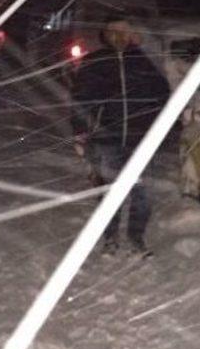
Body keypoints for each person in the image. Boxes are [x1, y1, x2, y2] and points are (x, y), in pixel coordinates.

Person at [71, 16, 170, 256]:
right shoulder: (95, 62)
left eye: (124, 30)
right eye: (113, 30)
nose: (118, 35)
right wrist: (80, 132)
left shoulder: (144, 62)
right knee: (110, 194)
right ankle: (110, 238)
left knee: (143, 194)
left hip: (142, 140)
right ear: (105, 34)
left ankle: (136, 238)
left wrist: (160, 127)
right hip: (106, 139)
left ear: (131, 34)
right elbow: (81, 101)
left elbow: (163, 97)